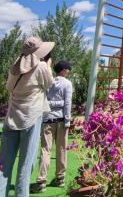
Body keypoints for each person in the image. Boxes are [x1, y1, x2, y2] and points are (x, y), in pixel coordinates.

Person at [0, 37, 54, 197]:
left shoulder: (15, 67)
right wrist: (48, 66)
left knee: (3, 164)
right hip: (31, 117)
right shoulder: (41, 66)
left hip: (12, 117)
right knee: (26, 164)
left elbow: (9, 87)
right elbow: (49, 84)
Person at [31, 60, 73, 193]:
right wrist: (67, 121)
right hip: (61, 120)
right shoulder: (67, 84)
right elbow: (67, 103)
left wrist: (51, 104)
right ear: (63, 70)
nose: (69, 71)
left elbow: (43, 100)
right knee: (62, 149)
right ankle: (60, 179)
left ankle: (41, 181)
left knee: (45, 150)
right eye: (68, 69)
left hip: (47, 119)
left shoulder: (48, 82)